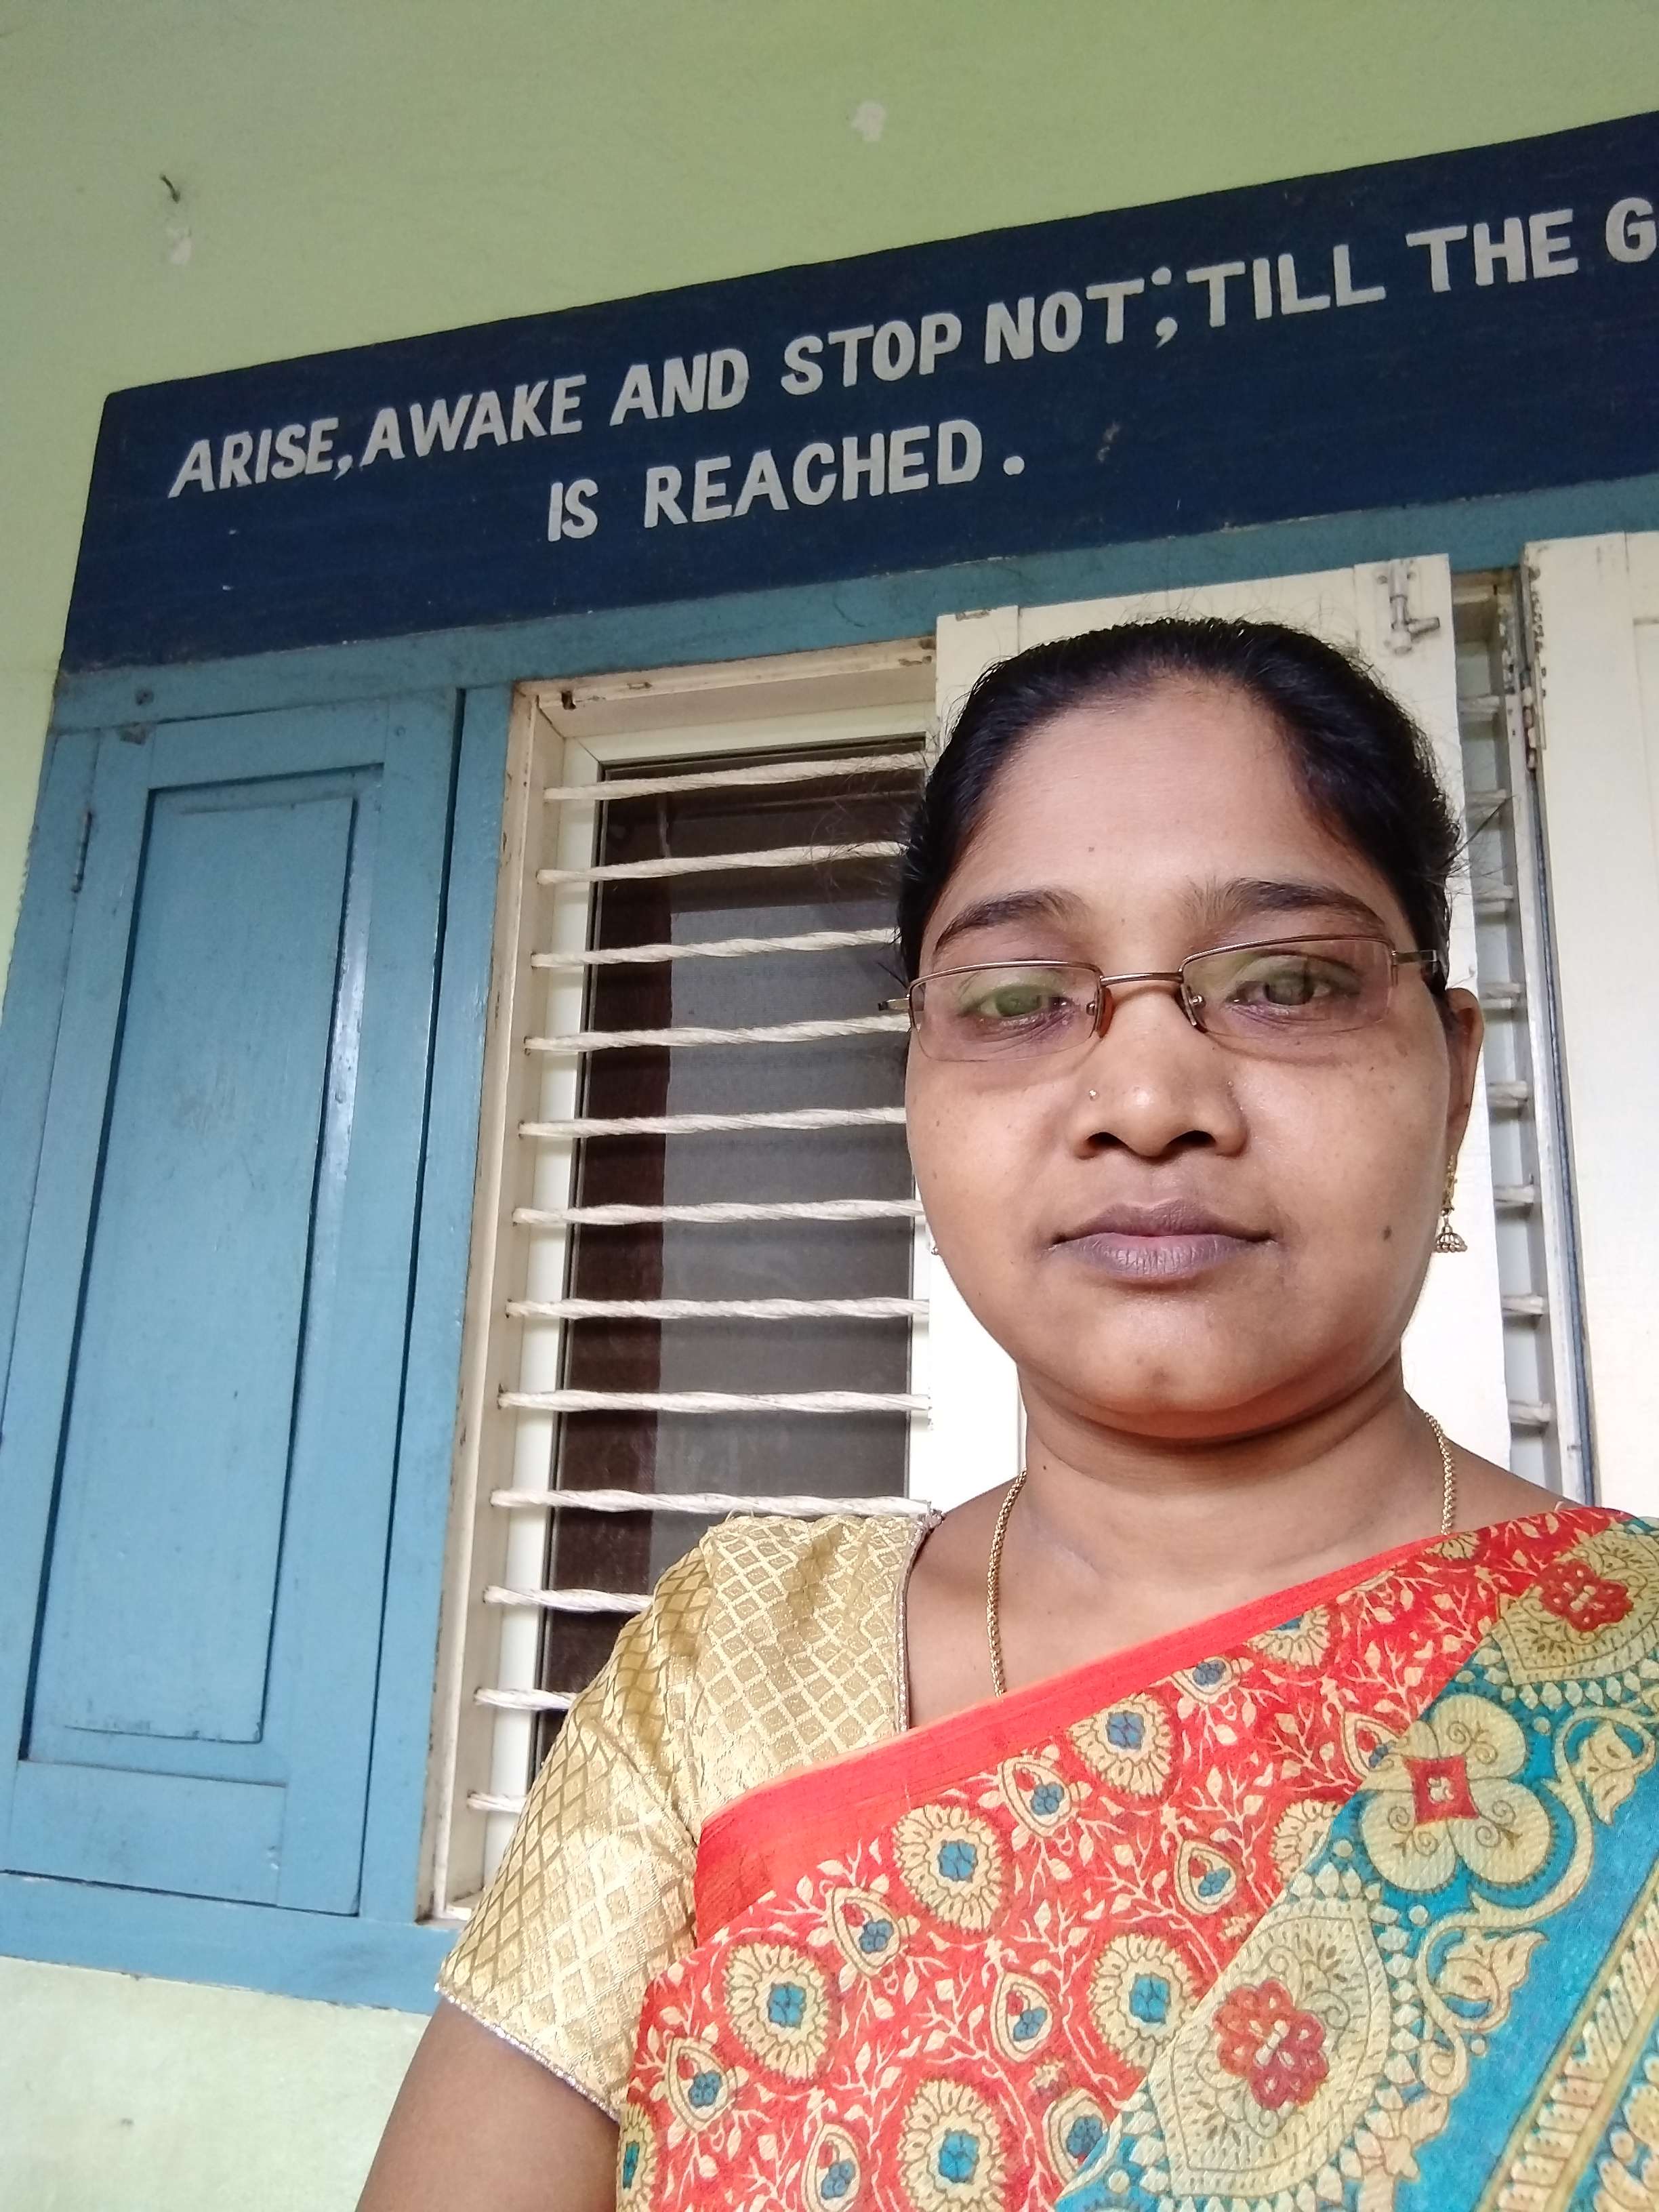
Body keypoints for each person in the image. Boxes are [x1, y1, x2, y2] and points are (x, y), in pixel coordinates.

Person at [360, 617, 1658, 2212]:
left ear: (1452, 1083)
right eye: (1021, 999)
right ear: (914, 1082)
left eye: (1287, 982)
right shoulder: (733, 1660)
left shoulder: (1634, 1683)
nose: (1148, 1102)